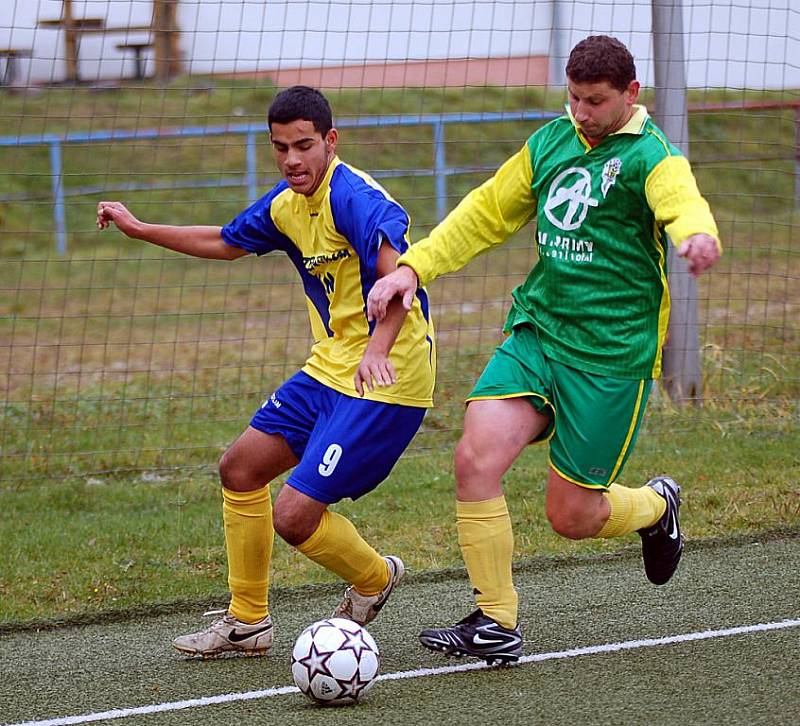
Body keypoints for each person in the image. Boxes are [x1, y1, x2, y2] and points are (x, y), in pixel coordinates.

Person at [367, 35, 720, 665]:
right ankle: (495, 622)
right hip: (540, 331)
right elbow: (484, 213)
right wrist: (413, 269)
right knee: (475, 455)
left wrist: (695, 234)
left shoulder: (651, 156)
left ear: (631, 95)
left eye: (596, 101)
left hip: (611, 355)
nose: (581, 112)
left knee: (572, 516)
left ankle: (655, 506)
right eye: (574, 97)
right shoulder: (551, 142)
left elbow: (682, 201)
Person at [97, 85, 436, 658]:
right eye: (281, 148)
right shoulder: (286, 203)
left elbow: (399, 276)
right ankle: (248, 622)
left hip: (389, 376)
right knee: (240, 469)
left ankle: (375, 577)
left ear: (331, 141)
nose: (292, 160)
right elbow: (225, 242)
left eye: (304, 146)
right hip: (328, 369)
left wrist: (377, 349)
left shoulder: (354, 199)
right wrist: (141, 229)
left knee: (295, 516)